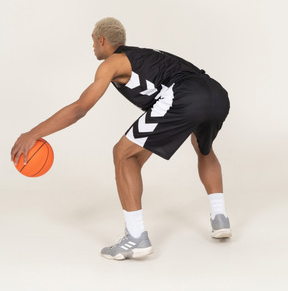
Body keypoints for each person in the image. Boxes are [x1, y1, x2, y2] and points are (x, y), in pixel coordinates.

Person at [11, 17, 231, 261]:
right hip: (216, 94)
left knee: (121, 153)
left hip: (183, 96)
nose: (93, 47)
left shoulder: (112, 63)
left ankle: (136, 238)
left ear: (101, 40)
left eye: (93, 42)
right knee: (203, 149)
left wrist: (33, 133)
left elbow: (80, 109)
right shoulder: (146, 56)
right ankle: (220, 217)